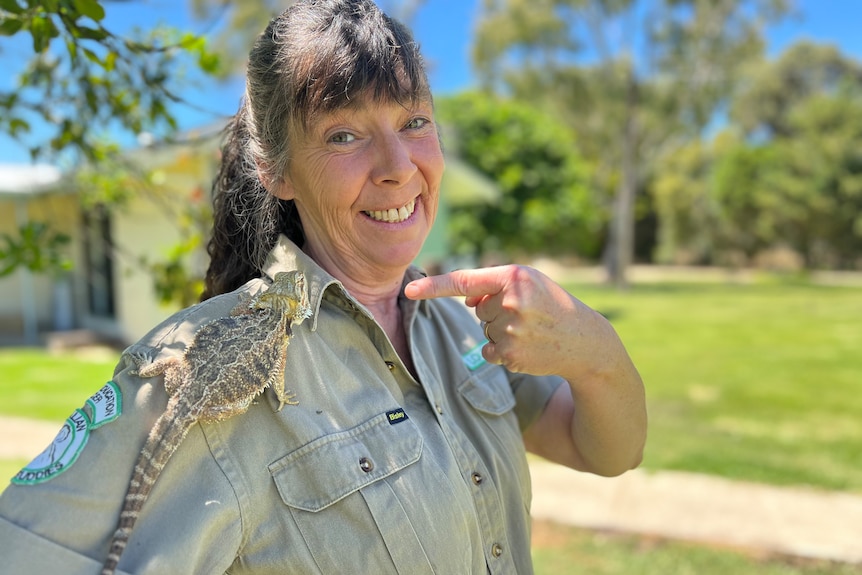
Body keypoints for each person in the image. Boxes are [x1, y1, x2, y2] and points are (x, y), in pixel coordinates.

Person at [0, 0, 647, 572]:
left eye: (414, 121)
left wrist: (596, 351)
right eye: (344, 134)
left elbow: (604, 450)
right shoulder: (200, 360)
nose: (399, 168)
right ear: (276, 169)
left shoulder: (459, 323)